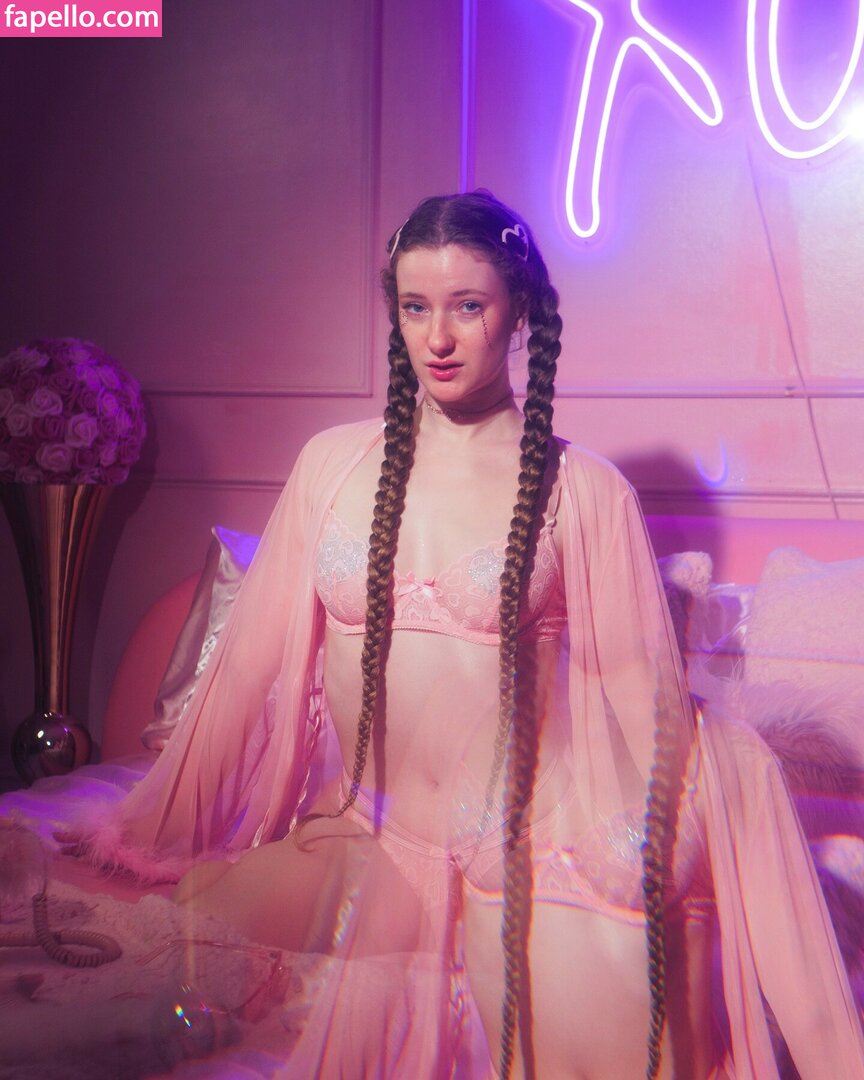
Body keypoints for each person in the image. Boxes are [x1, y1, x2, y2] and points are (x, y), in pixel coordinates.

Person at [75, 192, 864, 1078]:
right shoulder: (332, 464)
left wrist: (678, 819)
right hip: (367, 830)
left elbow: (632, 692)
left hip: (511, 841)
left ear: (518, 311)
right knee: (183, 927)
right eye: (416, 308)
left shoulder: (585, 491)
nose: (439, 338)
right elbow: (248, 664)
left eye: (468, 306)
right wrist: (158, 820)